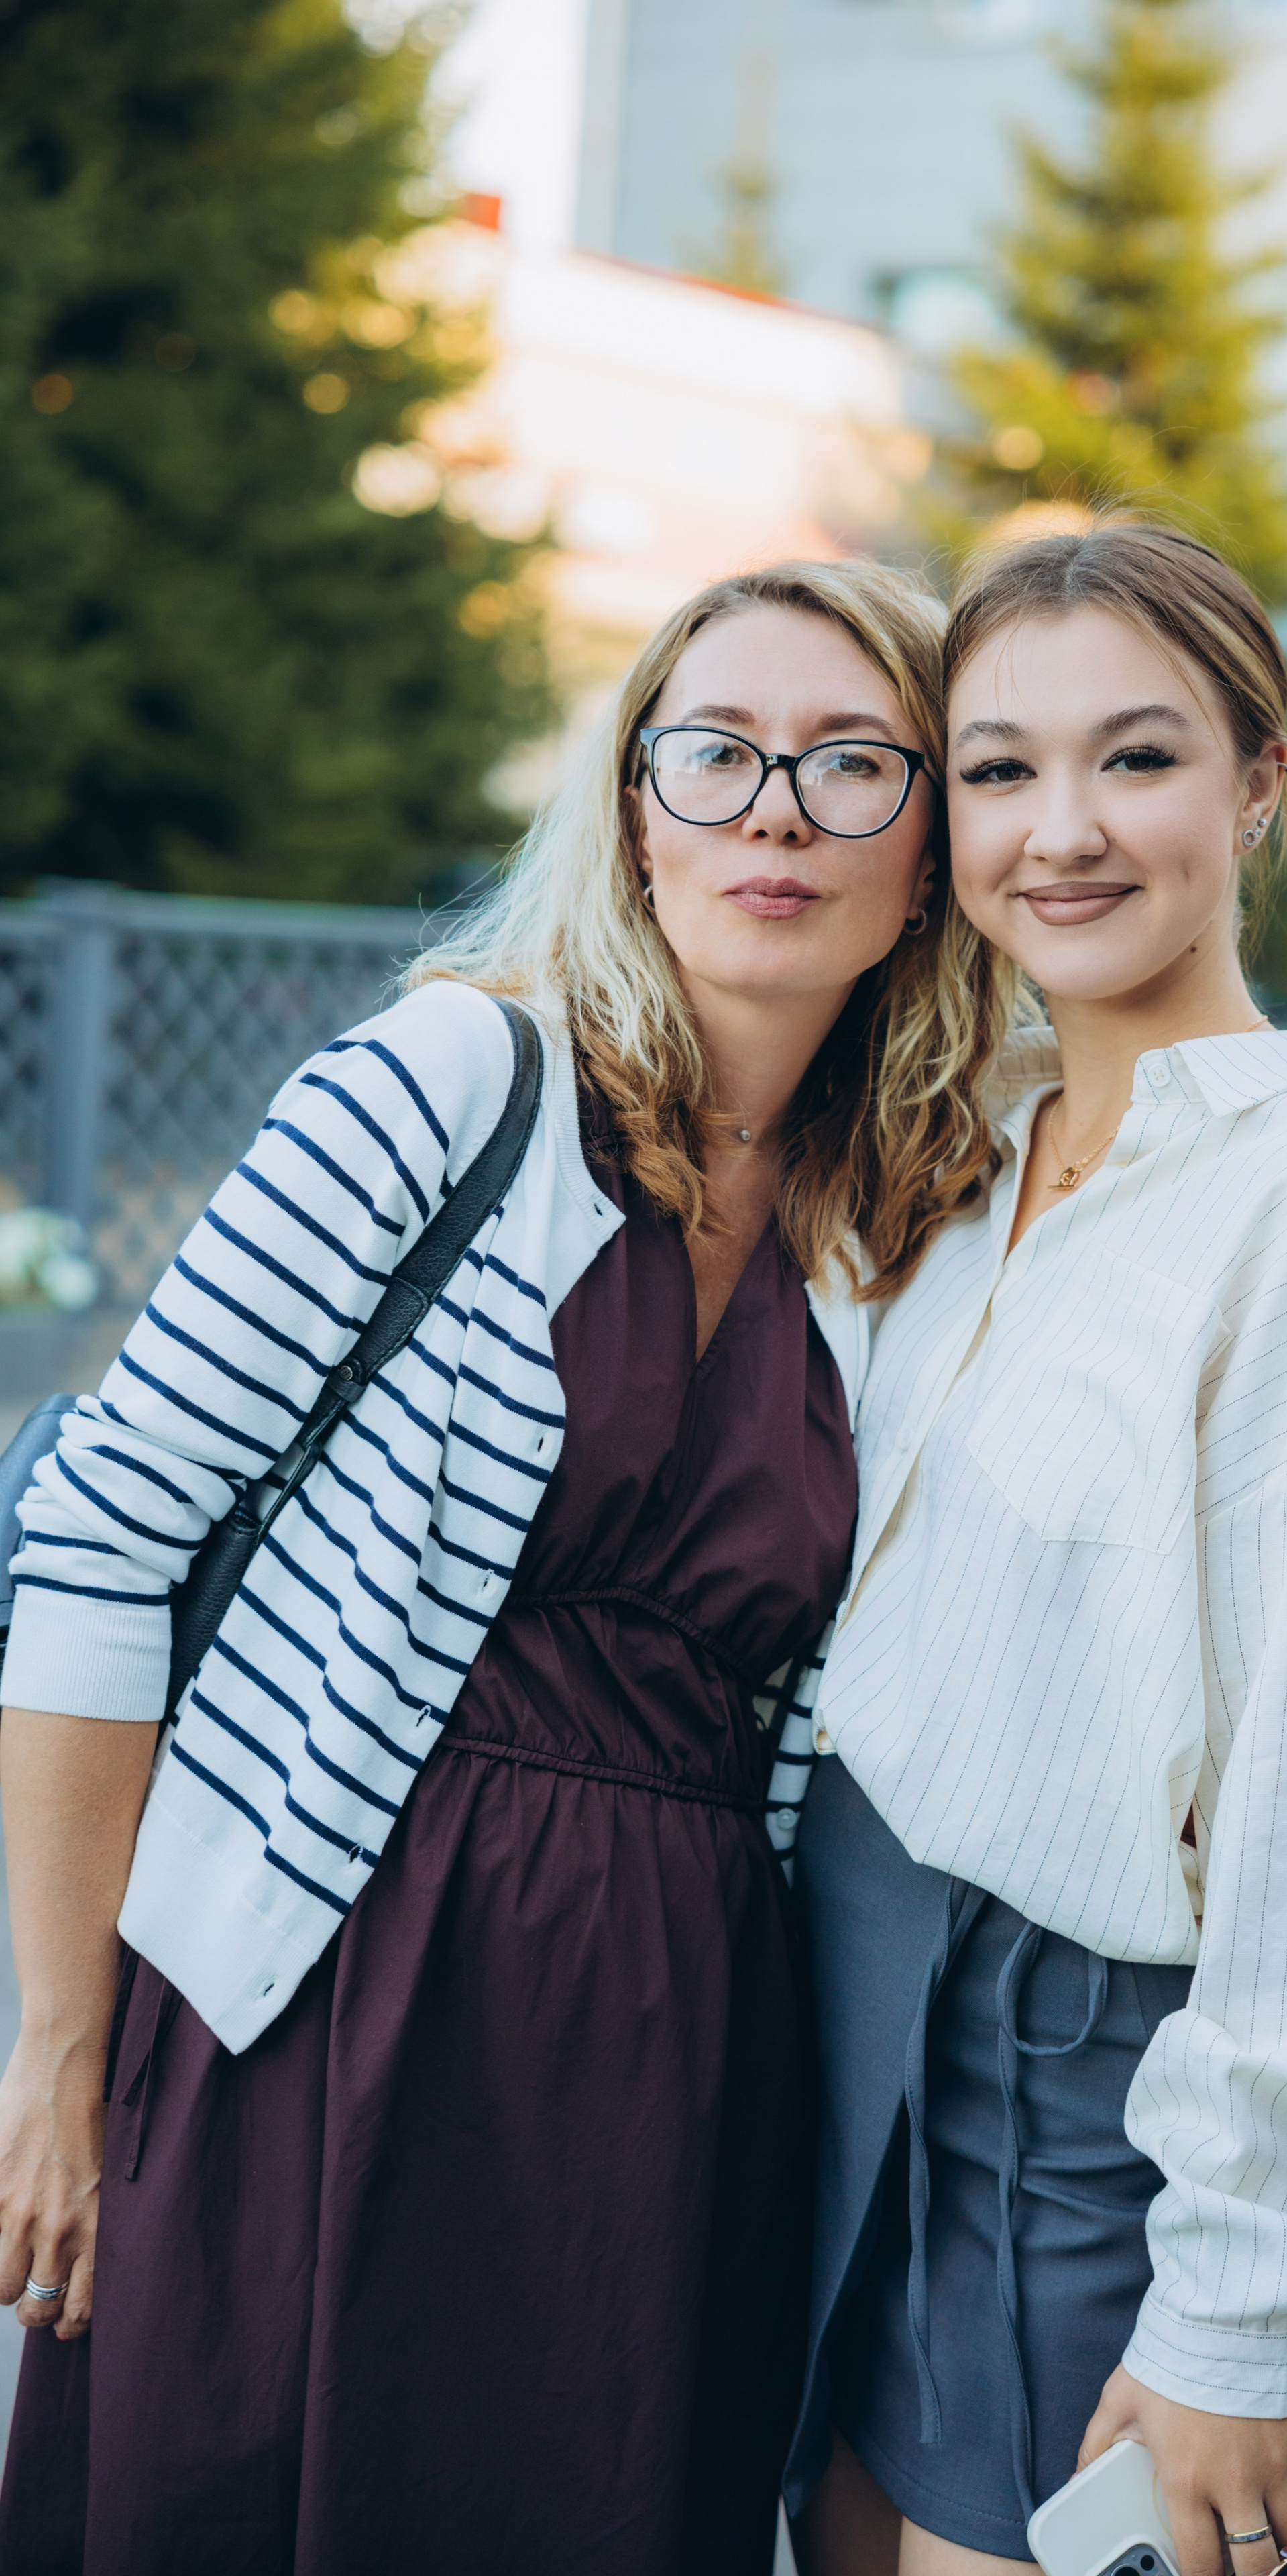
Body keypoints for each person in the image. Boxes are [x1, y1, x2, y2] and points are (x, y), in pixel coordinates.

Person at [0, 559, 1011, 2576]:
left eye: (851, 764)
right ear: (633, 807)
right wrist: (56, 2046)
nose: (776, 816)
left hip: (673, 2067)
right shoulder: (448, 1087)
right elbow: (103, 1537)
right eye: (714, 755)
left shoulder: (903, 1240)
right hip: (322, 2002)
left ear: (934, 842)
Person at [785, 525, 1287, 2576]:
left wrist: (1238, 2307)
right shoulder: (976, 1151)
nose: (1063, 833)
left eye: (1139, 759)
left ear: (1259, 779)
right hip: (848, 2009)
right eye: (1002, 770)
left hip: (1083, 2076)